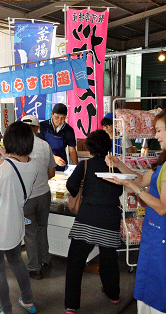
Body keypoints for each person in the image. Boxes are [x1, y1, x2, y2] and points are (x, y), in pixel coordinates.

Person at [105, 107, 166, 314]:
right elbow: (140, 179)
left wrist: (133, 188)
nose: (155, 136)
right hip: (157, 233)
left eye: (159, 131)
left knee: (158, 293)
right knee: (148, 288)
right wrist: (119, 164)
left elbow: (162, 207)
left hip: (165, 236)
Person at [0, 120, 38, 314]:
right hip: (15, 225)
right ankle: (28, 301)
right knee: (17, 262)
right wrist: (4, 157)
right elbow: (15, 169)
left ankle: (6, 309)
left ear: (8, 141)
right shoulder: (33, 164)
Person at [64, 129, 123, 314]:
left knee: (75, 262)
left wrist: (81, 191)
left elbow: (71, 186)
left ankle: (71, 305)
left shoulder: (86, 165)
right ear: (108, 147)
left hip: (87, 218)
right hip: (110, 219)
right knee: (109, 259)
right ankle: (113, 294)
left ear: (89, 147)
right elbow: (120, 191)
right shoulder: (116, 166)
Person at [21, 115, 56, 280]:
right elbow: (51, 173)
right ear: (36, 128)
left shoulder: (19, 147)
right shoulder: (45, 145)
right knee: (43, 227)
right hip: (44, 195)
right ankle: (45, 259)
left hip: (26, 198)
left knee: (30, 232)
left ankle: (34, 268)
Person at [38, 103, 78, 171]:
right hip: (44, 163)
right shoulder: (42, 126)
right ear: (52, 114)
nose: (59, 120)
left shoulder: (69, 130)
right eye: (57, 117)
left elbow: (72, 150)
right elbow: (39, 148)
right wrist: (53, 158)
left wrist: (76, 168)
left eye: (63, 118)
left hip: (61, 163)